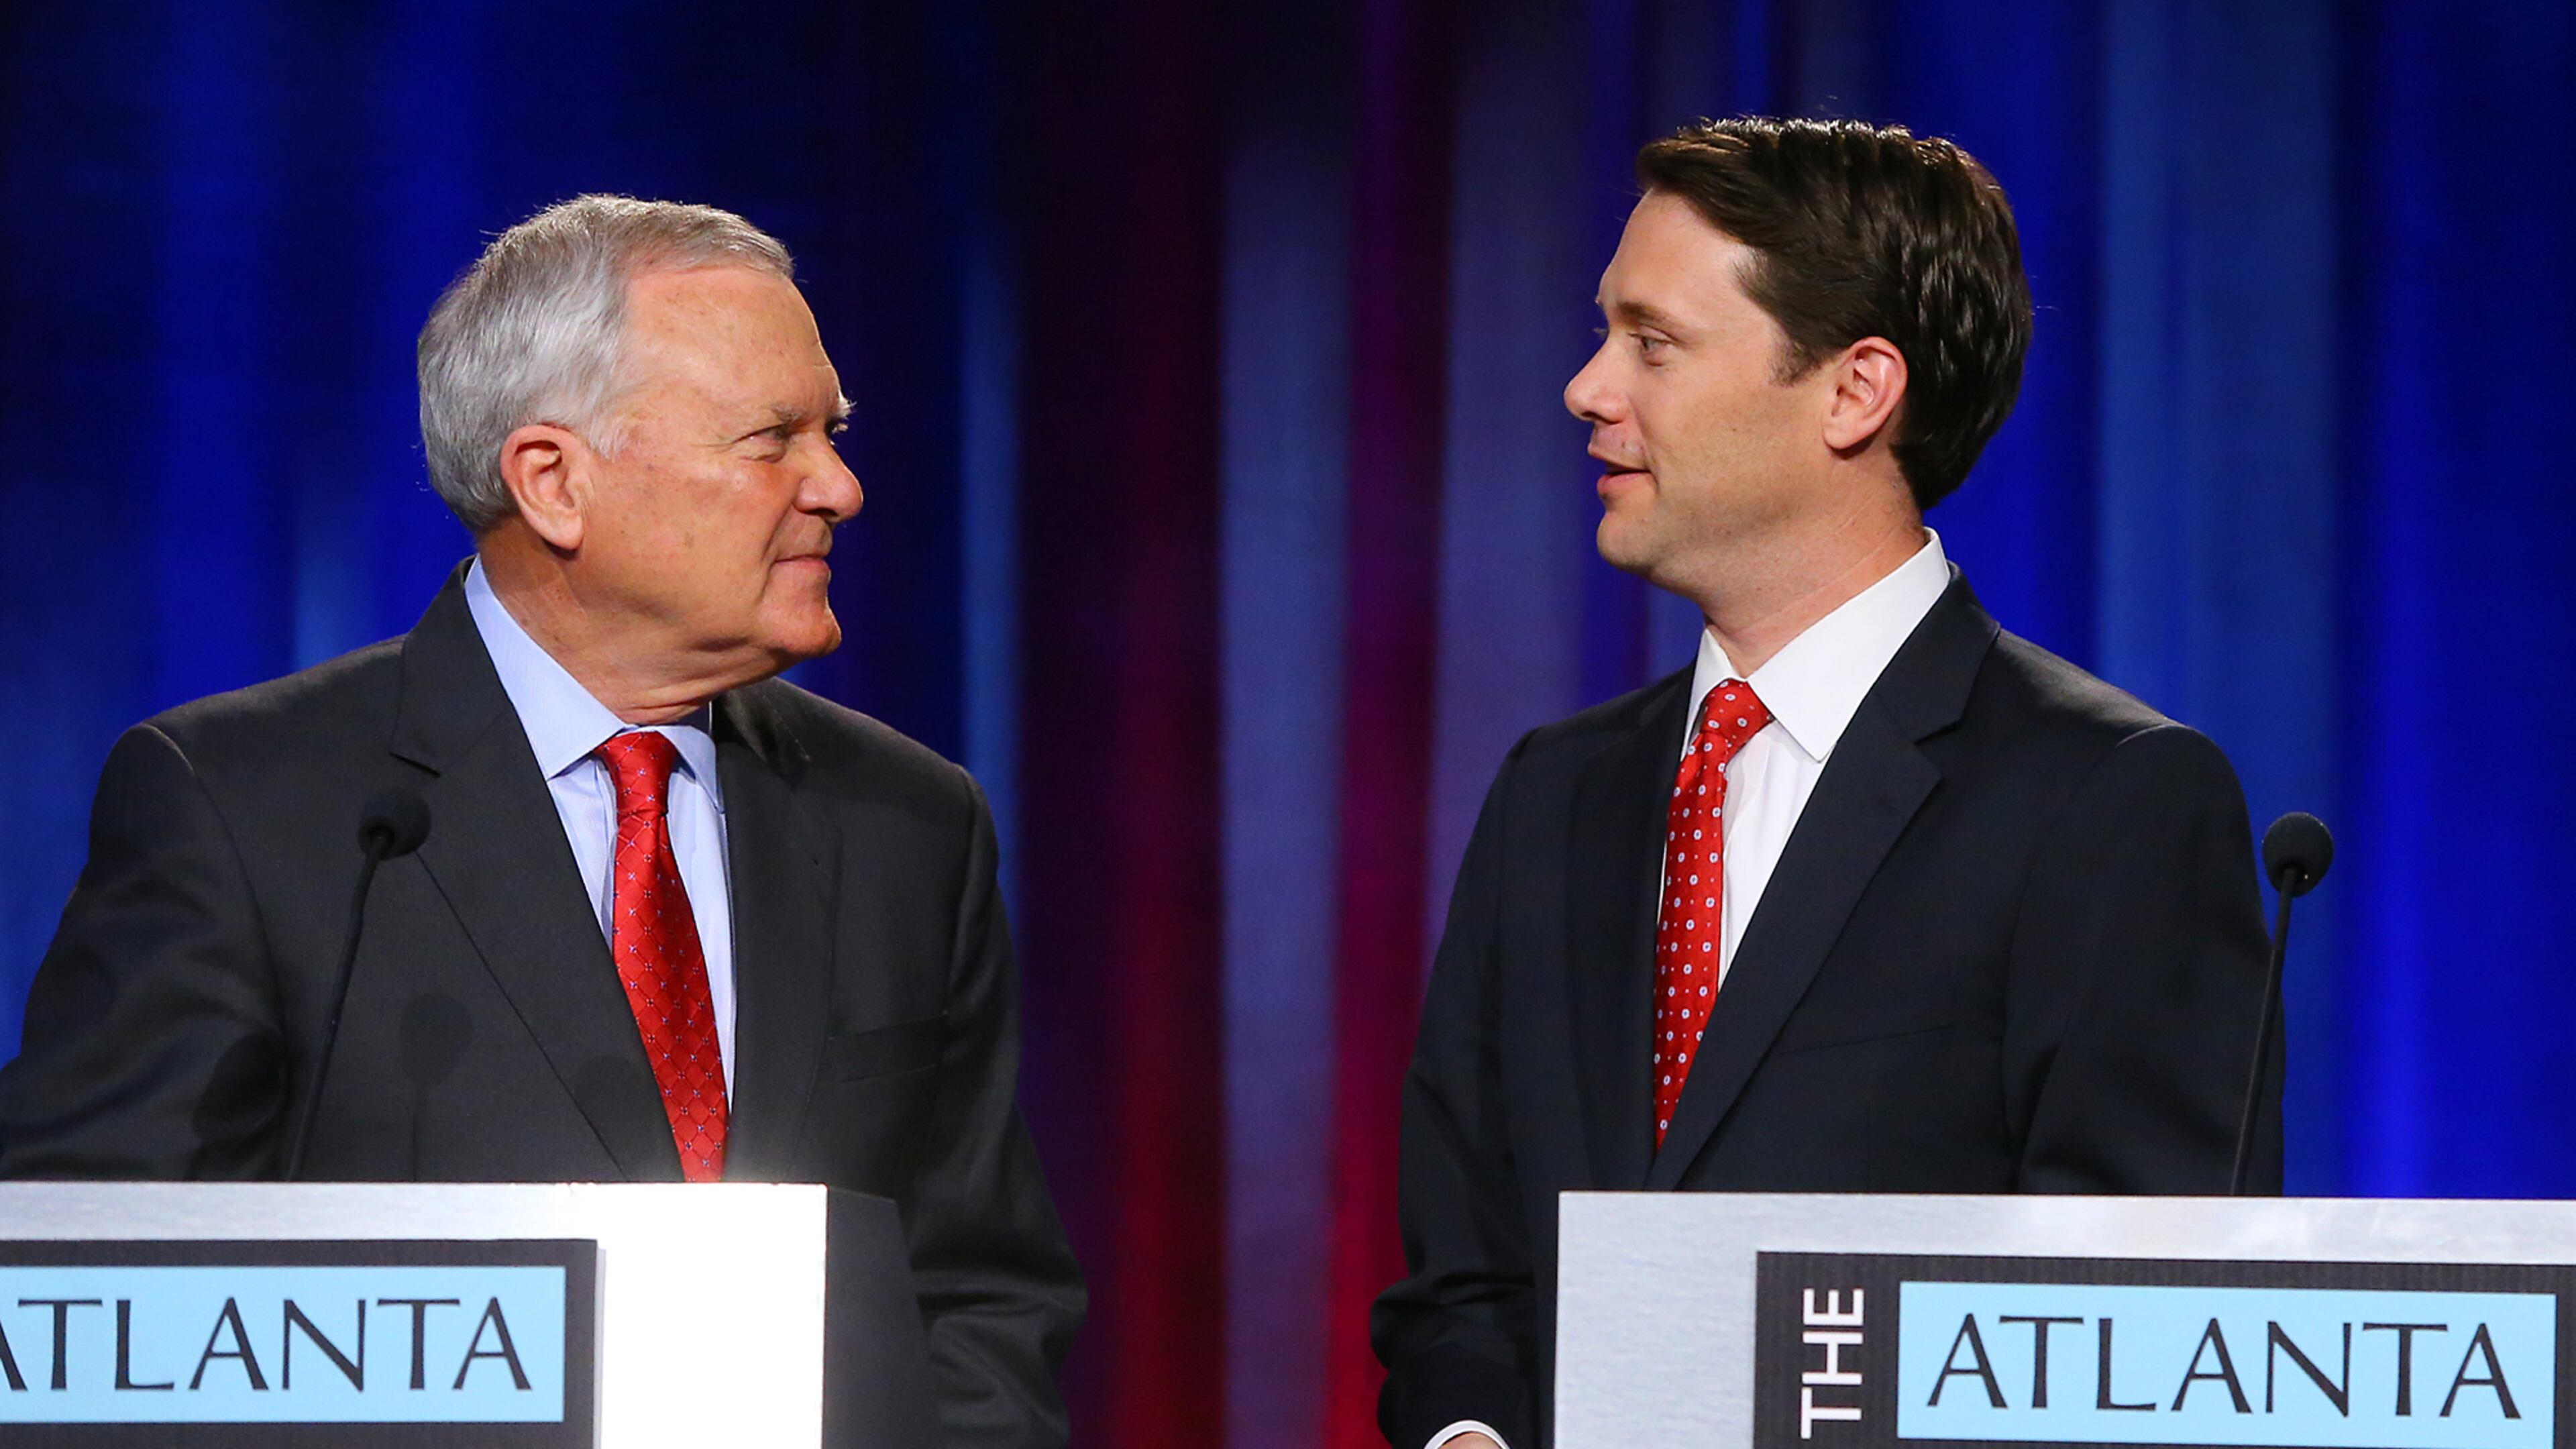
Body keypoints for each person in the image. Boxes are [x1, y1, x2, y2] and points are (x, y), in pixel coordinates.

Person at [0, 196, 1082, 1446]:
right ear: (554, 482)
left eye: (831, 433)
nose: (836, 487)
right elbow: (81, 1290)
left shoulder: (907, 820)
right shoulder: (246, 804)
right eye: (769, 438)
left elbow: (979, 1293)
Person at [1372, 118, 2282, 1449]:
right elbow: (1466, 1280)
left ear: (1855, 393)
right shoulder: (1555, 796)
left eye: (1654, 342)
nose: (1587, 387)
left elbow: (2140, 1344)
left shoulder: (2109, 801)